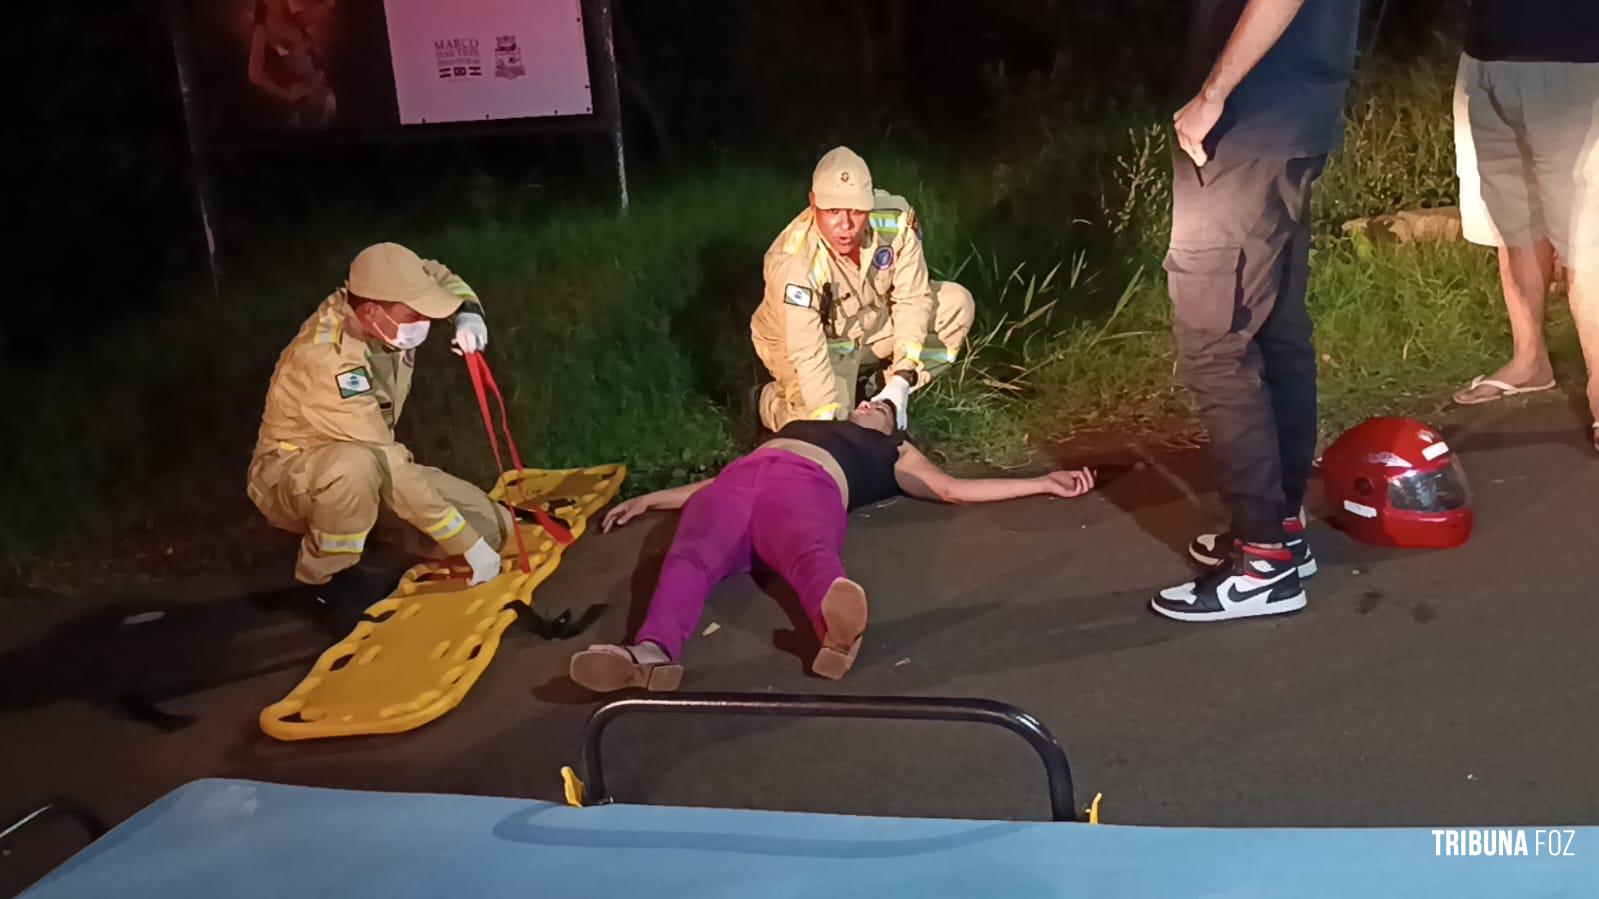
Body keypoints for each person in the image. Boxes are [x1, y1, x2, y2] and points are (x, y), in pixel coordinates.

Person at [568, 399, 1095, 692]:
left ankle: (835, 632)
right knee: (687, 558)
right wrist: (656, 498)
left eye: (884, 406)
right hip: (734, 483)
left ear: (896, 427)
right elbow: (710, 486)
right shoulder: (805, 424)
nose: (871, 403)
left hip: (804, 485)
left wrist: (1041, 482)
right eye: (868, 399)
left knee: (808, 552)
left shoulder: (892, 451)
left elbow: (952, 490)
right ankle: (649, 653)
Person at [1152, 0, 1361, 622]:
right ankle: (1280, 528)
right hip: (1288, 112)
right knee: (1274, 329)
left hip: (1253, 120)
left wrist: (1215, 91)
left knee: (1215, 338)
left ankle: (1264, 562)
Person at [247, 242, 505, 598]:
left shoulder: (384, 305)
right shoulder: (331, 360)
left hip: (373, 459)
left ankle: (372, 533)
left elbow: (436, 273)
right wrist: (468, 547)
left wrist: (467, 312)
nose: (425, 322)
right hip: (293, 472)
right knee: (356, 469)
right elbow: (390, 463)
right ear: (371, 312)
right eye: (414, 315)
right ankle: (325, 583)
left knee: (492, 528)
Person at [1450, 0, 1599, 454]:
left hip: (1577, 62)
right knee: (1511, 219)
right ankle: (1530, 360)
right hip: (1486, 57)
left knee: (1586, 232)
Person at [751, 147, 976, 432]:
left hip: (869, 326)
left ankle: (877, 389)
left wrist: (902, 378)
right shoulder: (795, 261)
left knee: (956, 304)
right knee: (825, 424)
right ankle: (767, 401)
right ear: (813, 203)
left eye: (857, 211)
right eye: (832, 211)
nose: (845, 225)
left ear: (870, 204)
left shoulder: (895, 220)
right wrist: (827, 417)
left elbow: (913, 298)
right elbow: (806, 350)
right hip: (812, 345)